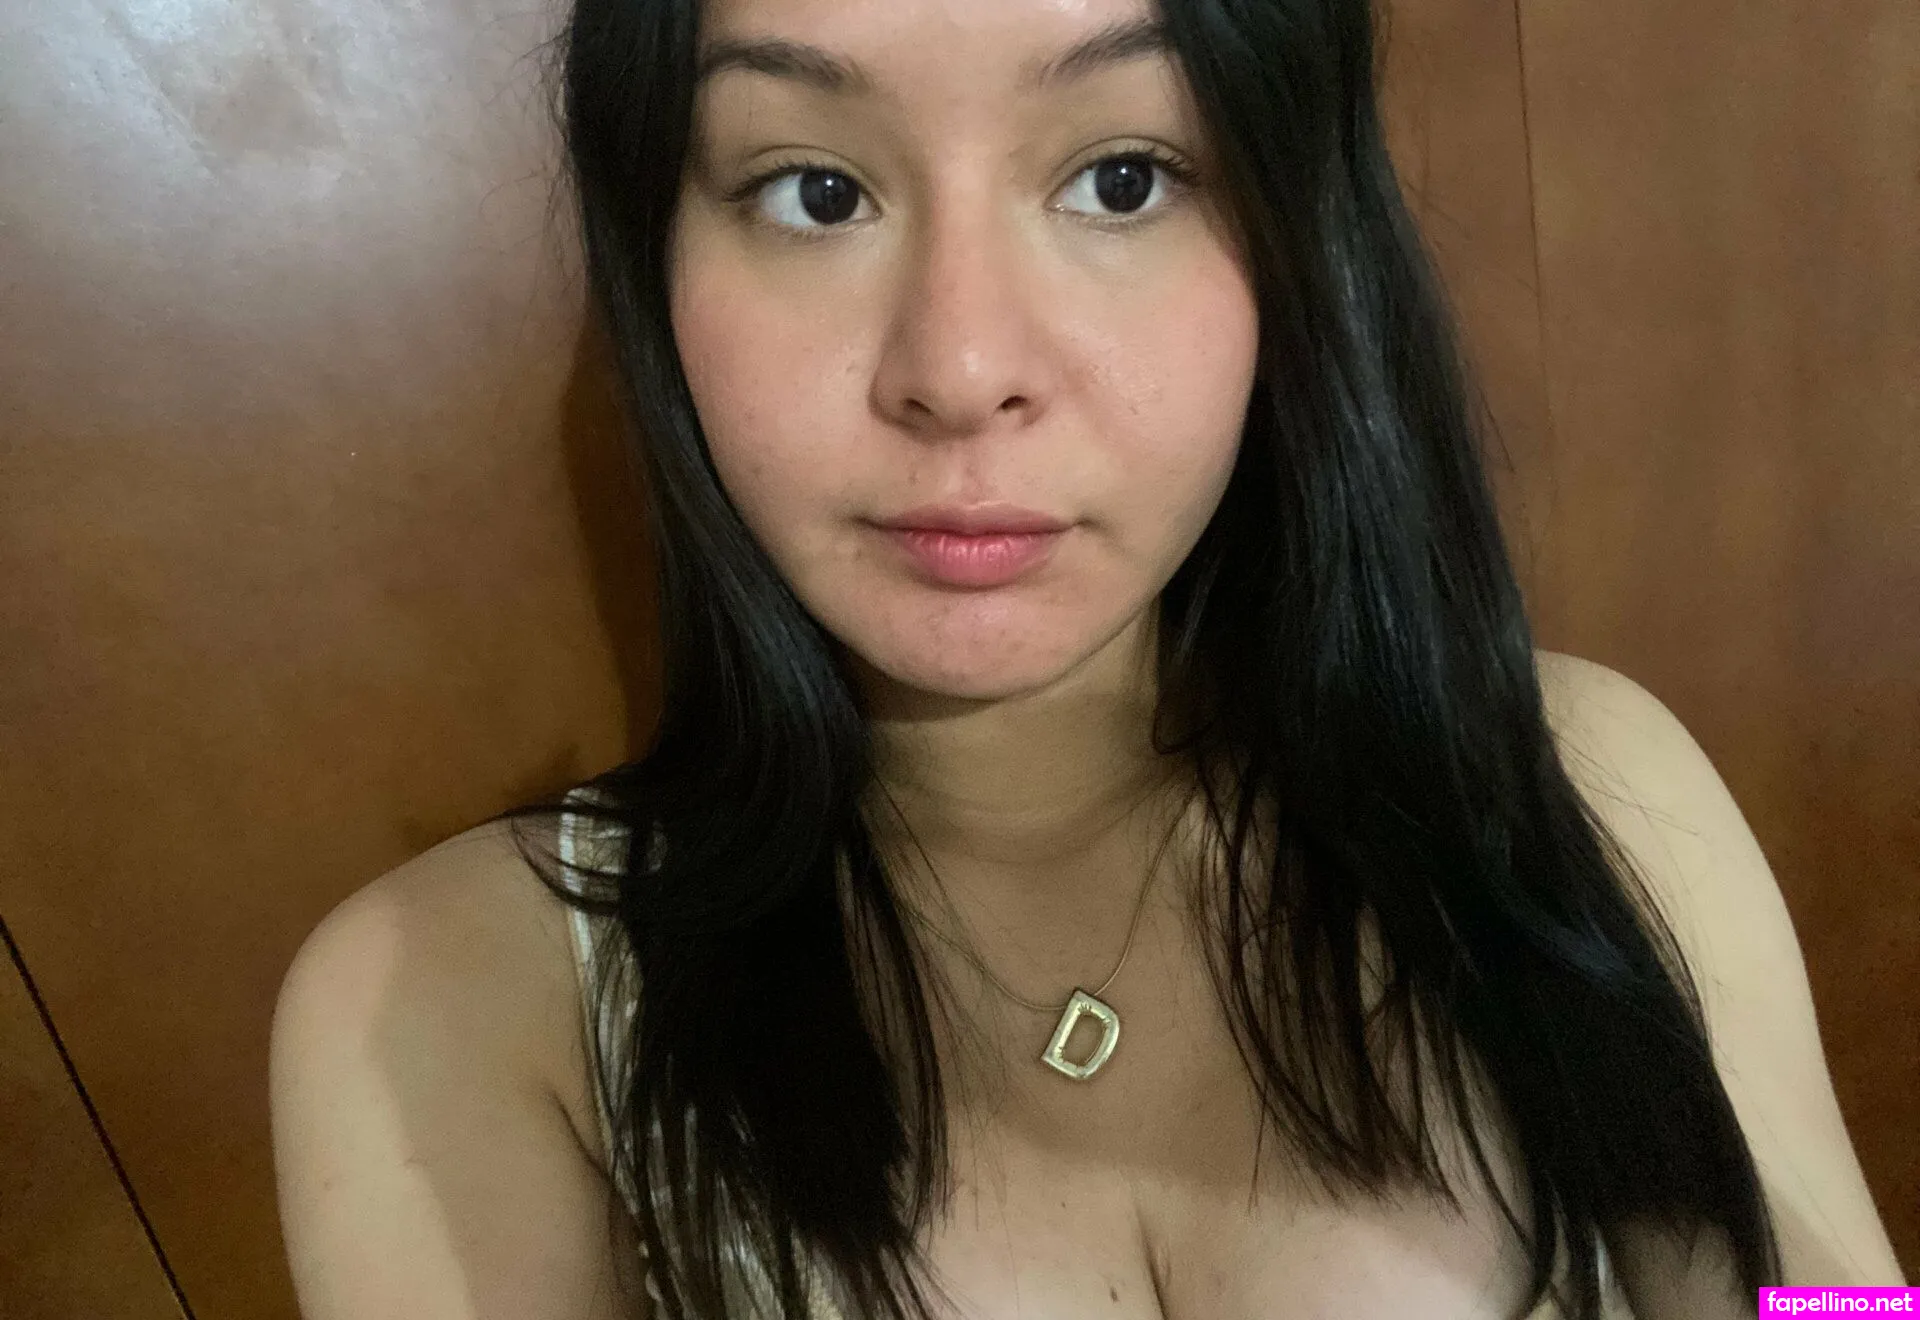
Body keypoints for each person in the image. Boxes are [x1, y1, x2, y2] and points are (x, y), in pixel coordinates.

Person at [267, 0, 1907, 1316]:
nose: (961, 366)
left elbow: (1835, 1290)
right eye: (815, 192)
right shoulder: (462, 1012)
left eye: (1123, 177)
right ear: (658, 257)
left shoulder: (1586, 778)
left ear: (1295, 230)